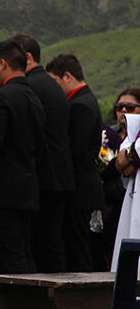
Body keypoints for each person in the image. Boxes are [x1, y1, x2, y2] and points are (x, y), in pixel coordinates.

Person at [10, 33, 74, 272]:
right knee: (52, 242)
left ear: (26, 57)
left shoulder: (30, 87)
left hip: (44, 177)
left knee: (42, 243)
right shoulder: (50, 84)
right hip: (59, 174)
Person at [0, 40, 44, 274]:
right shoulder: (35, 98)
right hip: (28, 187)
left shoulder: (1, 98)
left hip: (5, 191)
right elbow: (40, 146)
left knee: (10, 255)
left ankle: (23, 308)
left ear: (3, 63)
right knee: (23, 249)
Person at [46, 53, 105, 271]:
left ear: (67, 76)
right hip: (82, 189)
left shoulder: (80, 105)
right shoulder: (85, 100)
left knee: (78, 250)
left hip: (80, 191)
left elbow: (76, 150)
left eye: (55, 82)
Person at [101, 89, 140, 267]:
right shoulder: (112, 133)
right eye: (119, 107)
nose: (123, 111)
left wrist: (130, 155)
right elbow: (119, 162)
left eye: (130, 107)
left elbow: (129, 155)